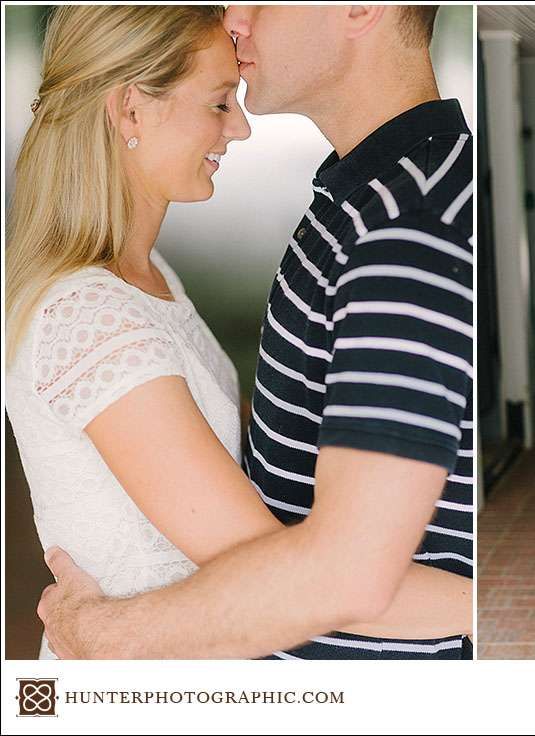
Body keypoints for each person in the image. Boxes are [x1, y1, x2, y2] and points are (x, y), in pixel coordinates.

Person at [12, 5, 472, 659]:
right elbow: (299, 570)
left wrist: (104, 631)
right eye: (219, 102)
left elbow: (326, 578)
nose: (241, 127)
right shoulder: (94, 310)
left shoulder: (401, 225)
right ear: (131, 112)